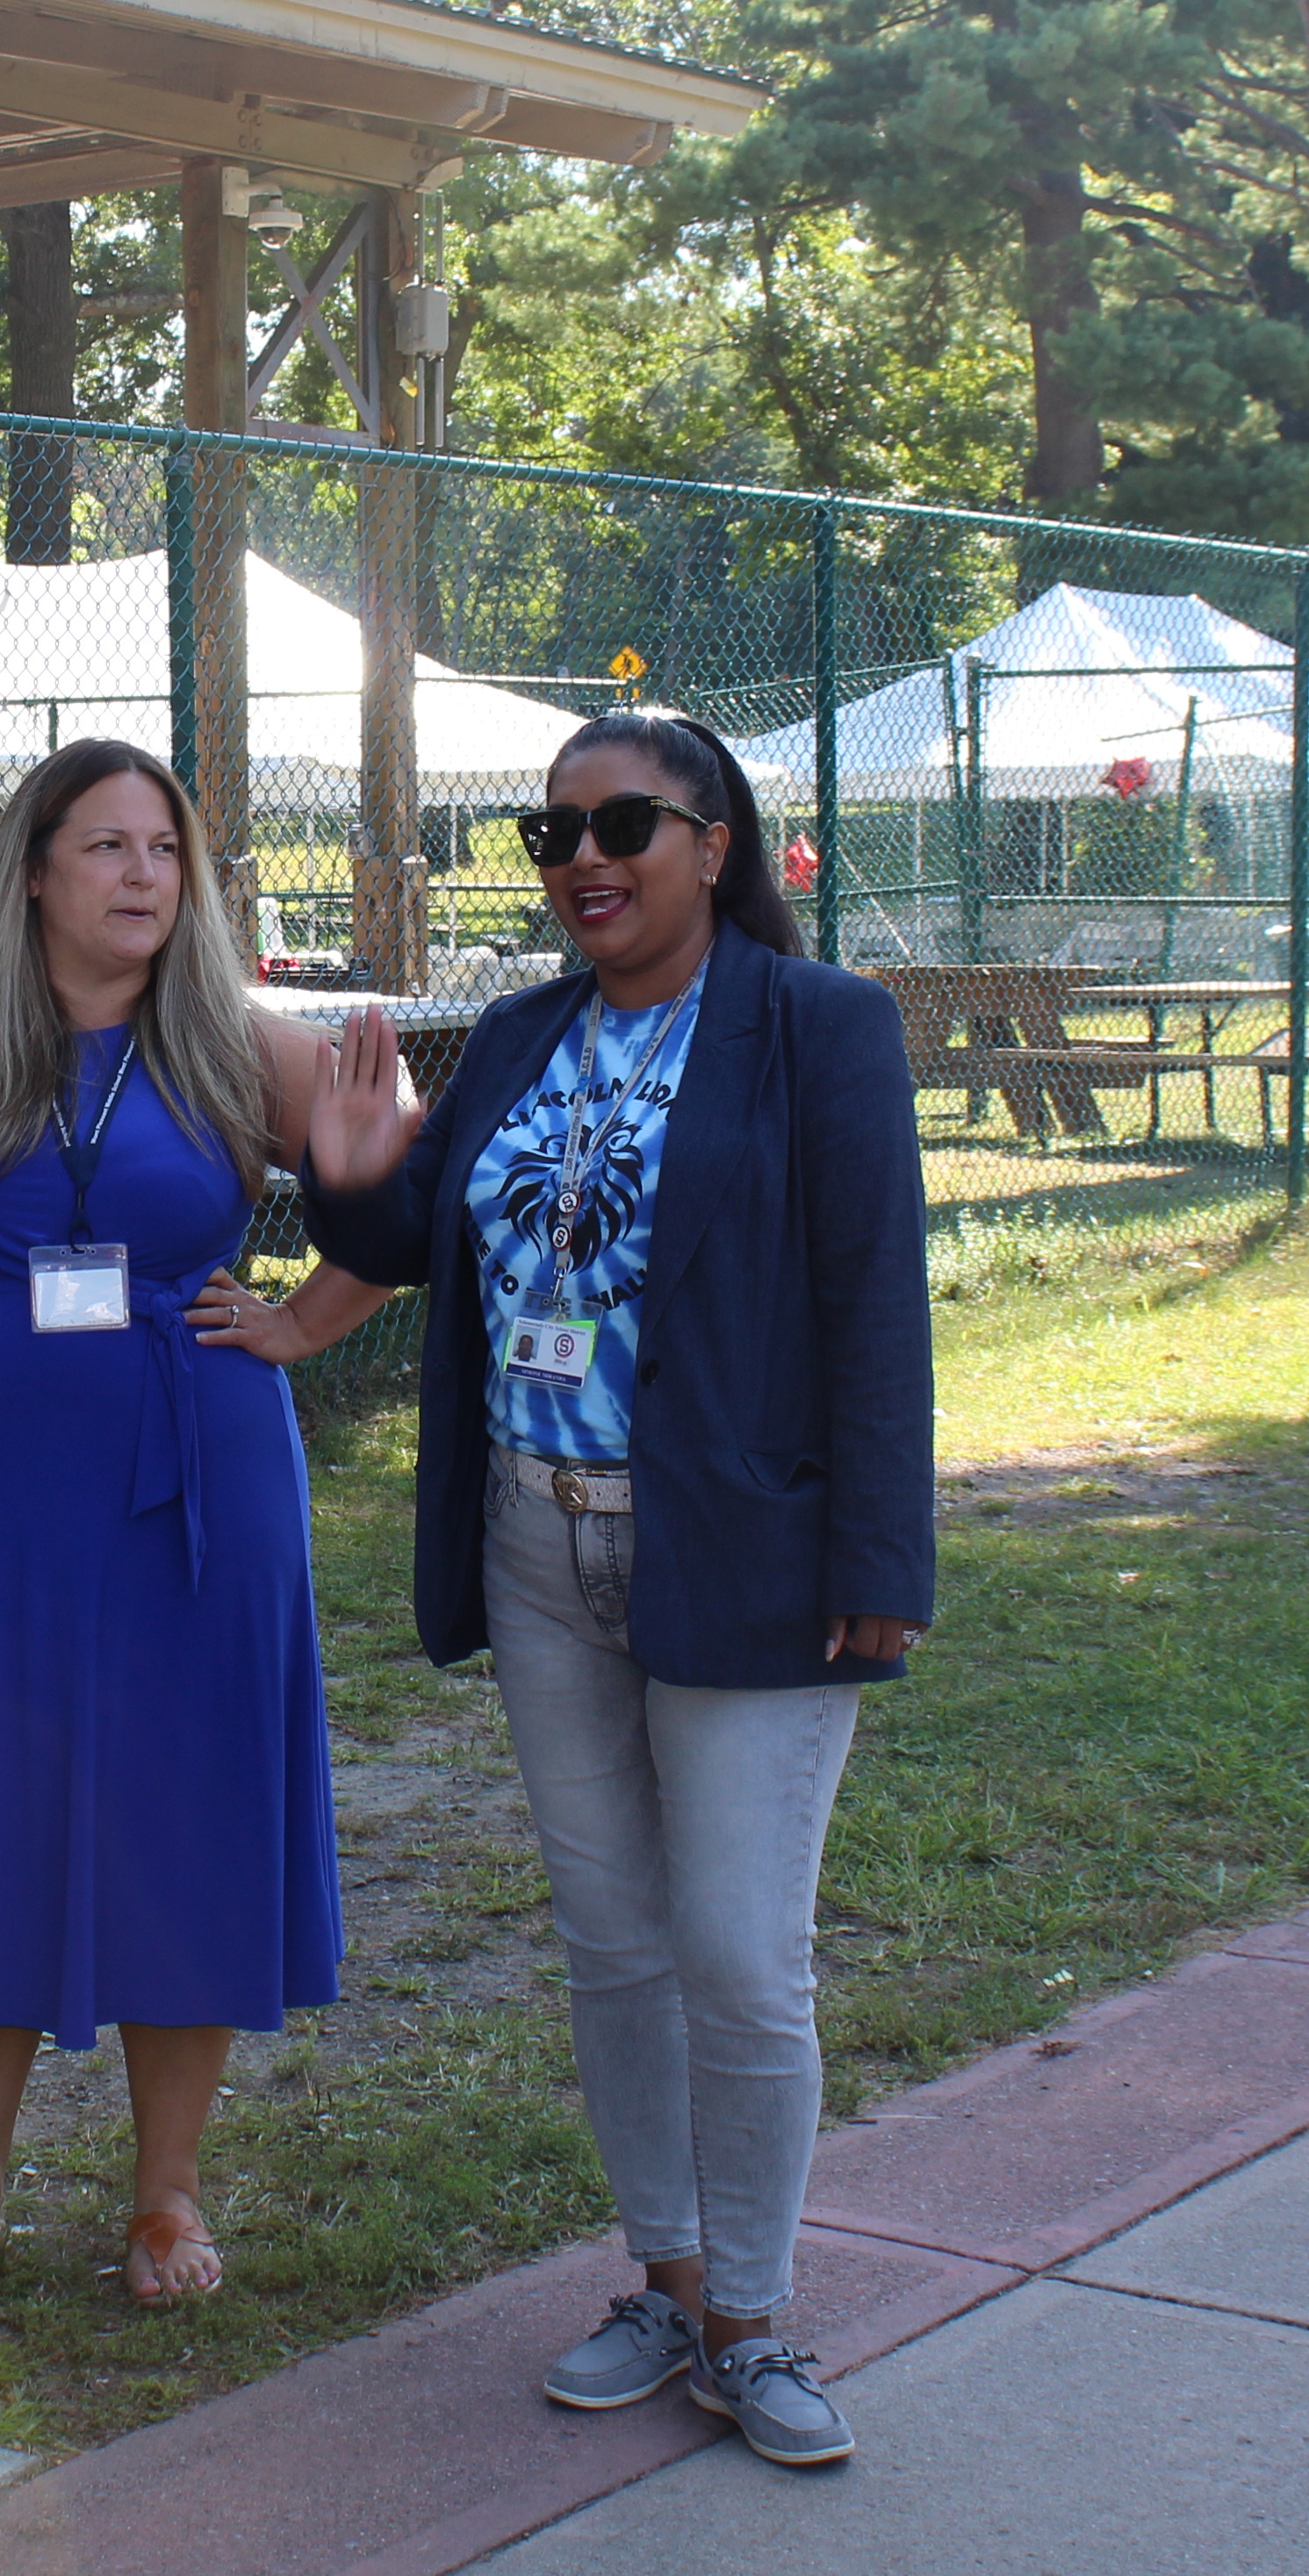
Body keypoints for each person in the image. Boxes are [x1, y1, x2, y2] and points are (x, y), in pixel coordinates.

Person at [298, 708, 933, 2475]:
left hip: (743, 1548)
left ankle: (754, 2317)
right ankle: (661, 2283)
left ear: (713, 842)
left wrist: (883, 1557)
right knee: (615, 1947)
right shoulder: (515, 1039)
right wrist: (345, 1177)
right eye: (551, 829)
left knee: (739, 1952)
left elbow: (878, 1300)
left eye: (625, 823)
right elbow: (407, 1238)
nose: (584, 856)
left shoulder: (819, 1031)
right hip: (534, 1529)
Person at [0, 737, 372, 2315]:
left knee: (185, 1809)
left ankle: (164, 2196)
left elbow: (405, 1191)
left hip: (195, 1484)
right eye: (101, 846)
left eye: (162, 851)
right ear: (29, 870)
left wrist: (307, 1319)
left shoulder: (241, 1047)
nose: (136, 875)